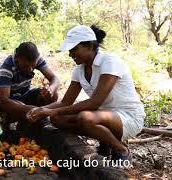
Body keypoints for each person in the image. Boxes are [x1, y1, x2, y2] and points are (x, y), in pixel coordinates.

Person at [26, 25, 145, 161]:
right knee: (57, 119)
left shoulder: (109, 62)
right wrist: (41, 109)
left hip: (127, 116)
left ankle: (121, 149)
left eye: (74, 49)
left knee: (85, 118)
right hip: (102, 116)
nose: (70, 55)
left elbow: (95, 102)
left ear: (89, 46)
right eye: (70, 51)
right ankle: (105, 140)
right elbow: (66, 102)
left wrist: (52, 111)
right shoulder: (79, 70)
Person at [0, 41, 60, 133]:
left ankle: (28, 122)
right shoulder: (6, 68)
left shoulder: (35, 58)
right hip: (2, 102)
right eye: (26, 66)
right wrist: (33, 109)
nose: (30, 69)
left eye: (33, 66)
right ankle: (8, 121)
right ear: (18, 59)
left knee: (53, 94)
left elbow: (55, 78)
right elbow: (4, 101)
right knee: (22, 107)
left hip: (24, 95)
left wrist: (51, 89)